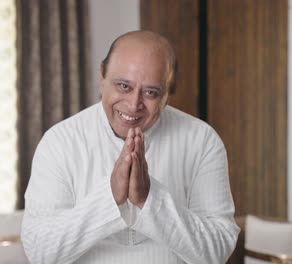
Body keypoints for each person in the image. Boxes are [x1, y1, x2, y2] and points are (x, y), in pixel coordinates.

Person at [21, 30, 239, 264]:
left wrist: (149, 199)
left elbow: (218, 251)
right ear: (102, 76)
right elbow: (40, 253)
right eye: (124, 86)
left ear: (167, 94)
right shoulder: (59, 142)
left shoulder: (202, 141)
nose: (134, 104)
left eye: (151, 92)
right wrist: (110, 197)